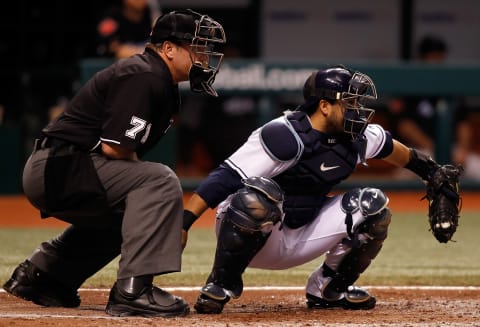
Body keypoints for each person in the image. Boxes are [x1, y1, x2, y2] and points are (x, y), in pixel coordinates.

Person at [2, 9, 226, 318]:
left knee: (135, 210)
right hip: (60, 165)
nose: (204, 57)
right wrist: (161, 211)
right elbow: (114, 149)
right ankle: (133, 292)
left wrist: (151, 214)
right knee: (159, 182)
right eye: (197, 48)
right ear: (169, 49)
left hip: (63, 165)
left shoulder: (156, 78)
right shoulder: (146, 74)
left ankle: (43, 276)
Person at [181, 65, 457, 314]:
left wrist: (433, 173)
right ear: (324, 106)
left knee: (374, 204)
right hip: (256, 233)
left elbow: (400, 153)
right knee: (258, 196)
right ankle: (221, 283)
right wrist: (184, 224)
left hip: (303, 231)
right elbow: (224, 177)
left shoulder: (357, 137)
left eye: (358, 102)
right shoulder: (284, 134)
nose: (357, 110)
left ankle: (328, 289)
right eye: (350, 102)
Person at [388, 35, 478, 179]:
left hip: (453, 150)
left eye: (439, 56)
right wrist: (435, 149)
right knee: (401, 178)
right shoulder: (410, 86)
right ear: (422, 58)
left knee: (476, 168)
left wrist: (462, 150)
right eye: (432, 56)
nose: (436, 60)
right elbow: (405, 126)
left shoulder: (452, 86)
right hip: (421, 150)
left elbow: (463, 124)